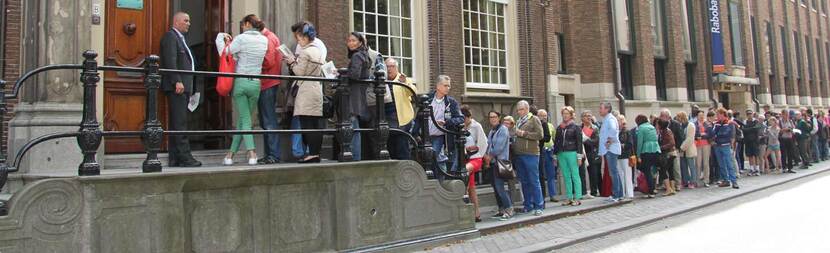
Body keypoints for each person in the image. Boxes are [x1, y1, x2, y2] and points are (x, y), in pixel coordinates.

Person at [221, 14, 268, 166]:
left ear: (248, 24)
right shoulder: (264, 39)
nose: (241, 27)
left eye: (242, 24)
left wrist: (221, 38)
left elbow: (225, 52)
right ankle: (230, 155)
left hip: (241, 82)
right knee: (244, 121)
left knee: (245, 120)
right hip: (256, 83)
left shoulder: (241, 38)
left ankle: (252, 152)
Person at [160, 12, 201, 167]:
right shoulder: (171, 37)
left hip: (185, 87)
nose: (189, 23)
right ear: (176, 22)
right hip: (178, 87)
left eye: (189, 21)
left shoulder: (181, 39)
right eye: (186, 20)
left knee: (179, 122)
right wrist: (177, 80)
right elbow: (170, 60)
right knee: (180, 123)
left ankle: (175, 158)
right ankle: (185, 157)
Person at [285, 21, 325, 163]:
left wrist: (291, 62)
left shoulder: (305, 52)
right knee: (315, 123)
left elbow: (299, 72)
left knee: (307, 123)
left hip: (306, 90)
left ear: (303, 37)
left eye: (298, 37)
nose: (298, 41)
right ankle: (315, 153)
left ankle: (312, 154)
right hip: (316, 88)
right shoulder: (318, 50)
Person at [256, 23, 283, 165]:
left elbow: (268, 61)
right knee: (266, 120)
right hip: (268, 82)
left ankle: (273, 155)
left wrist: (253, 60)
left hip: (267, 82)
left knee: (268, 120)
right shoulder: (270, 37)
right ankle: (270, 154)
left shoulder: (267, 38)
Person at [344, 32, 372, 161]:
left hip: (353, 95)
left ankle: (354, 157)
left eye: (354, 40)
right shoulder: (364, 56)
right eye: (349, 40)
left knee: (353, 126)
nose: (350, 43)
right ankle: (355, 156)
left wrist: (341, 74)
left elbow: (354, 75)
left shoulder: (357, 56)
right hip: (359, 95)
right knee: (354, 127)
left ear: (360, 42)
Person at [514, 100, 545, 215]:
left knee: (534, 180)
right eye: (518, 110)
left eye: (521, 109)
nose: (519, 112)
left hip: (531, 154)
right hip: (519, 154)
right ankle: (528, 205)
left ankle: (539, 206)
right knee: (524, 181)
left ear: (527, 109)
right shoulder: (518, 121)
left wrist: (524, 134)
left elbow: (540, 135)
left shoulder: (534, 119)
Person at [386, 58, 416, 160]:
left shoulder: (402, 79)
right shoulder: (382, 80)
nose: (389, 69)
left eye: (392, 66)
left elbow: (413, 93)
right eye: (387, 66)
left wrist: (405, 83)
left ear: (397, 68)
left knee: (402, 148)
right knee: (390, 149)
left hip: (402, 120)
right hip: (387, 120)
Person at [553, 106, 584, 206]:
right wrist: (555, 155)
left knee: (575, 175)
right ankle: (569, 197)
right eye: (564, 113)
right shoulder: (559, 127)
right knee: (566, 176)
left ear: (571, 115)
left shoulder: (576, 127)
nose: (565, 115)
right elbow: (556, 142)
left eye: (567, 114)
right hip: (561, 153)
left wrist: (579, 156)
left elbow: (579, 142)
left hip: (572, 152)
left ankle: (578, 197)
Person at [486, 111, 513, 220]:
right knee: (495, 187)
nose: (492, 119)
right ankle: (501, 209)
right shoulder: (492, 130)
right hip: (493, 163)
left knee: (500, 187)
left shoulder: (503, 129)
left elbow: (499, 147)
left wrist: (490, 156)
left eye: (495, 117)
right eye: (491, 117)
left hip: (500, 162)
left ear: (499, 118)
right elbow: (488, 144)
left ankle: (509, 208)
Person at [598, 102, 622, 202]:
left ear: (607, 109)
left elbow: (613, 130)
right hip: (610, 149)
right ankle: (619, 193)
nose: (599, 110)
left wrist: (609, 141)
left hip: (611, 149)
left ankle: (616, 194)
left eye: (601, 108)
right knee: (614, 171)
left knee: (613, 172)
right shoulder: (607, 119)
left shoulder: (610, 119)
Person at [713, 108, 739, 189]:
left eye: (718, 114)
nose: (717, 116)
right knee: (721, 164)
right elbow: (713, 133)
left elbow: (731, 135)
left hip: (726, 145)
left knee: (729, 164)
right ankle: (726, 180)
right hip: (717, 145)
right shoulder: (716, 124)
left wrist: (732, 145)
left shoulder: (729, 123)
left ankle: (734, 181)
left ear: (722, 114)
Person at [636, 115, 661, 198]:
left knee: (647, 172)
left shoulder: (641, 128)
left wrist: (638, 155)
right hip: (656, 150)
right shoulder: (652, 127)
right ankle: (653, 188)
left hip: (646, 150)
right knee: (653, 171)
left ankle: (651, 192)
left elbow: (640, 143)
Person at [659, 109, 683, 191]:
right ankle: (667, 185)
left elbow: (680, 136)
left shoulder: (675, 124)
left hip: (673, 149)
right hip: (664, 151)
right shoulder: (660, 125)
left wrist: (678, 148)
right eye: (661, 115)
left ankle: (678, 184)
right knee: (666, 168)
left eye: (662, 116)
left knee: (676, 168)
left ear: (668, 117)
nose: (661, 117)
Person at [537, 109, 558, 203]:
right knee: (541, 174)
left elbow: (554, 138)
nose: (543, 117)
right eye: (541, 115)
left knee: (551, 174)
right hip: (541, 151)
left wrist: (555, 153)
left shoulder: (550, 125)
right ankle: (543, 196)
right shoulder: (537, 125)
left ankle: (553, 195)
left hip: (550, 151)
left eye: (545, 115)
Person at [580, 111, 600, 198]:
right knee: (582, 173)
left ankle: (594, 191)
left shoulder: (595, 128)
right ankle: (582, 191)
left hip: (591, 153)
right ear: (582, 118)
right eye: (586, 116)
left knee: (593, 173)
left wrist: (585, 139)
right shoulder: (579, 128)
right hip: (582, 153)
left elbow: (595, 141)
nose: (588, 117)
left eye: (589, 116)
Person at [656, 119, 677, 196]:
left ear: (661, 125)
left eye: (658, 124)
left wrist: (661, 147)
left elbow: (672, 143)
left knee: (663, 170)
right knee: (670, 170)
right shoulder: (665, 131)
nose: (657, 125)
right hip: (671, 153)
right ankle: (673, 188)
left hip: (669, 153)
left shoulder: (666, 131)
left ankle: (668, 189)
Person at [677, 112, 698, 189]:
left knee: (691, 166)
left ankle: (693, 182)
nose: (678, 119)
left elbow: (690, 139)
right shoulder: (680, 125)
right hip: (682, 150)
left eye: (678, 117)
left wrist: (682, 147)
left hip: (689, 148)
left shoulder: (691, 125)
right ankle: (685, 181)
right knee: (683, 167)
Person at [617, 114, 635, 199]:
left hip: (626, 156)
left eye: (619, 120)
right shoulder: (616, 131)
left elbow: (630, 144)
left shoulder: (627, 131)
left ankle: (629, 193)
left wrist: (621, 145)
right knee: (620, 175)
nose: (618, 122)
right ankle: (622, 193)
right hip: (618, 155)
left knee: (627, 175)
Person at [694, 110, 712, 187]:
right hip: (698, 145)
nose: (701, 117)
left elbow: (709, 134)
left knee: (706, 163)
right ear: (697, 116)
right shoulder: (694, 124)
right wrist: (702, 134)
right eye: (700, 115)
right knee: (698, 163)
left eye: (702, 115)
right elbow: (695, 134)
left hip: (706, 145)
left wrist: (701, 135)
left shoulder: (707, 124)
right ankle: (697, 180)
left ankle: (706, 180)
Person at [742, 110, 763, 176]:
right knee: (750, 155)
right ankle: (751, 169)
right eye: (748, 114)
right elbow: (743, 130)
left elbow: (756, 129)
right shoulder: (745, 122)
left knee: (756, 155)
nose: (749, 115)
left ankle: (757, 169)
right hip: (747, 141)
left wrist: (748, 129)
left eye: (750, 114)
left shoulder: (756, 121)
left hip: (755, 141)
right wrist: (751, 129)